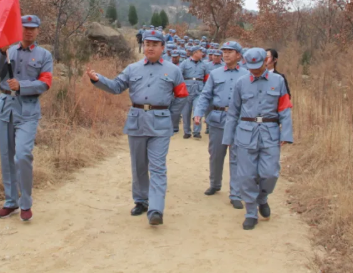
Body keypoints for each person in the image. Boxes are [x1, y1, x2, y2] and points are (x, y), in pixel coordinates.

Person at [86, 30, 188, 225]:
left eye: (155, 44)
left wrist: (169, 117)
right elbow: (116, 86)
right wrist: (98, 79)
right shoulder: (132, 69)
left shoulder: (173, 70)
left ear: (163, 47)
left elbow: (182, 96)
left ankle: (156, 209)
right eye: (147, 44)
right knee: (139, 165)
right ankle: (141, 200)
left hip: (160, 124)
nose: (150, 48)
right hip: (137, 121)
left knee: (157, 167)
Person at [0, 15, 53, 222]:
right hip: (6, 108)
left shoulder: (44, 55)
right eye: (25, 28)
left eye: (33, 28)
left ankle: (25, 203)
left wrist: (22, 86)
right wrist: (0, 52)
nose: (29, 31)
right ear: (19, 29)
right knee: (6, 156)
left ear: (38, 31)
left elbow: (45, 83)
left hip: (28, 110)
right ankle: (10, 202)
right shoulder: (8, 50)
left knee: (23, 154)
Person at [223, 48, 293, 230]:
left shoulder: (278, 81)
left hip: (270, 132)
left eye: (258, 66)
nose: (254, 70)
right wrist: (228, 137)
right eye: (251, 67)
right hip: (246, 132)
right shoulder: (241, 83)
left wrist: (286, 133)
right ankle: (251, 212)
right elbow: (233, 112)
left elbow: (284, 108)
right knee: (246, 175)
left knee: (270, 173)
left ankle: (262, 197)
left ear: (265, 62)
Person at [194, 41, 248, 209]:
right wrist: (198, 112)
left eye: (230, 52)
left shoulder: (247, 75)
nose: (226, 54)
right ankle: (215, 184)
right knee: (216, 154)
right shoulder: (215, 74)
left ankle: (236, 193)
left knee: (236, 157)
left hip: (238, 121)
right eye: (224, 51)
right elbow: (205, 95)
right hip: (218, 119)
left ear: (238, 55)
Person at [179, 45, 209, 139]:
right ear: (195, 53)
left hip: (199, 90)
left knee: (198, 110)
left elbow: (207, 78)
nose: (202, 54)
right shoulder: (184, 63)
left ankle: (196, 131)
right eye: (200, 52)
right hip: (187, 90)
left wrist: (205, 90)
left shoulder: (204, 65)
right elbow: (179, 76)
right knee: (186, 112)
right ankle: (187, 131)